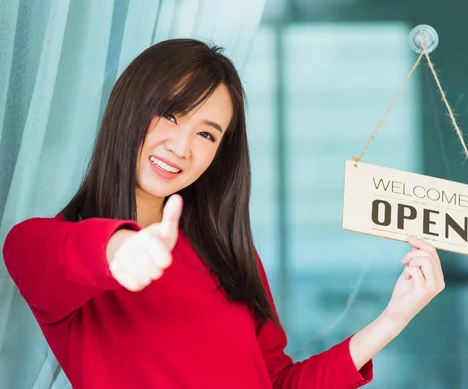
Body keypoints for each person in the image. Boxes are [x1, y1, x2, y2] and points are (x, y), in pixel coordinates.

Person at [2, 39, 445, 389]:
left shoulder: (228, 253)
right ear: (128, 109)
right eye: (170, 114)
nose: (182, 148)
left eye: (207, 135)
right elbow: (46, 254)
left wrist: (393, 319)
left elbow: (277, 382)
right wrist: (119, 248)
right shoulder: (54, 248)